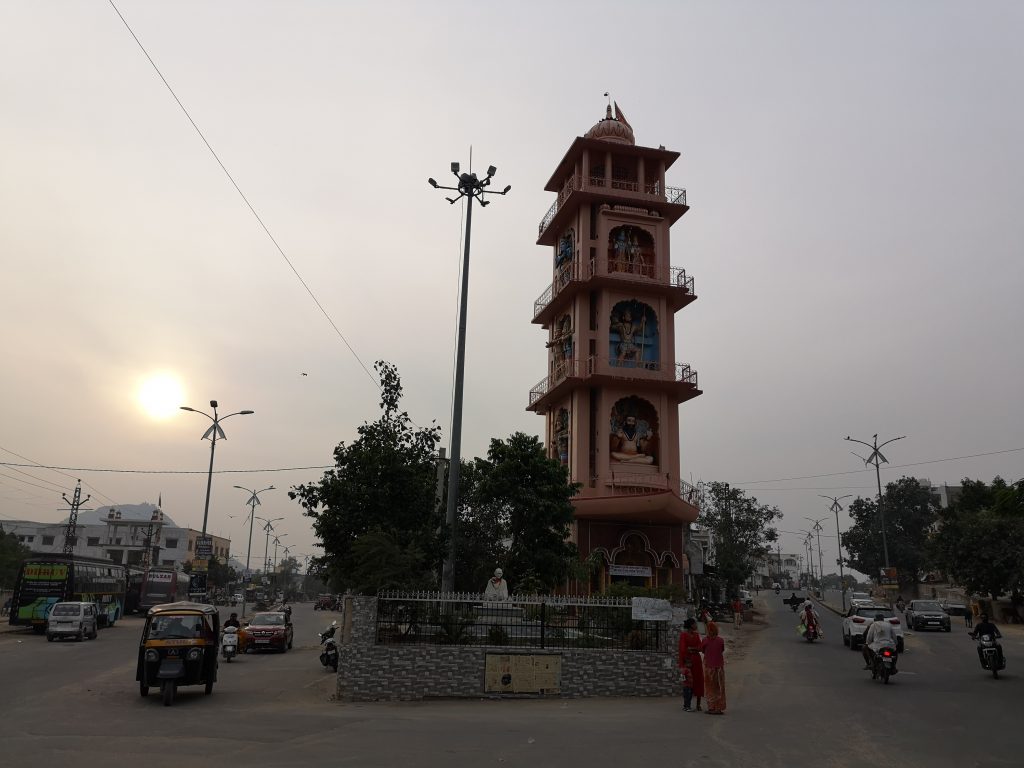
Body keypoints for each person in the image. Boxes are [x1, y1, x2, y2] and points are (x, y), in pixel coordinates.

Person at [678, 618, 705, 711]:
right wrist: (694, 649)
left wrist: (691, 649)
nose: (696, 625)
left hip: (696, 661)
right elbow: (683, 649)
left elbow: (700, 648)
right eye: (694, 624)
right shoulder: (684, 635)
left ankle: (698, 704)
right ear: (691, 625)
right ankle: (687, 705)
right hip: (687, 662)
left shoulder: (696, 635)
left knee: (698, 681)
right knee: (688, 683)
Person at [701, 621, 726, 715]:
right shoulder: (720, 640)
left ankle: (711, 707)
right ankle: (719, 708)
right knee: (718, 687)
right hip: (719, 668)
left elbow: (702, 650)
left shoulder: (705, 640)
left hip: (709, 668)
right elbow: (722, 650)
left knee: (709, 688)